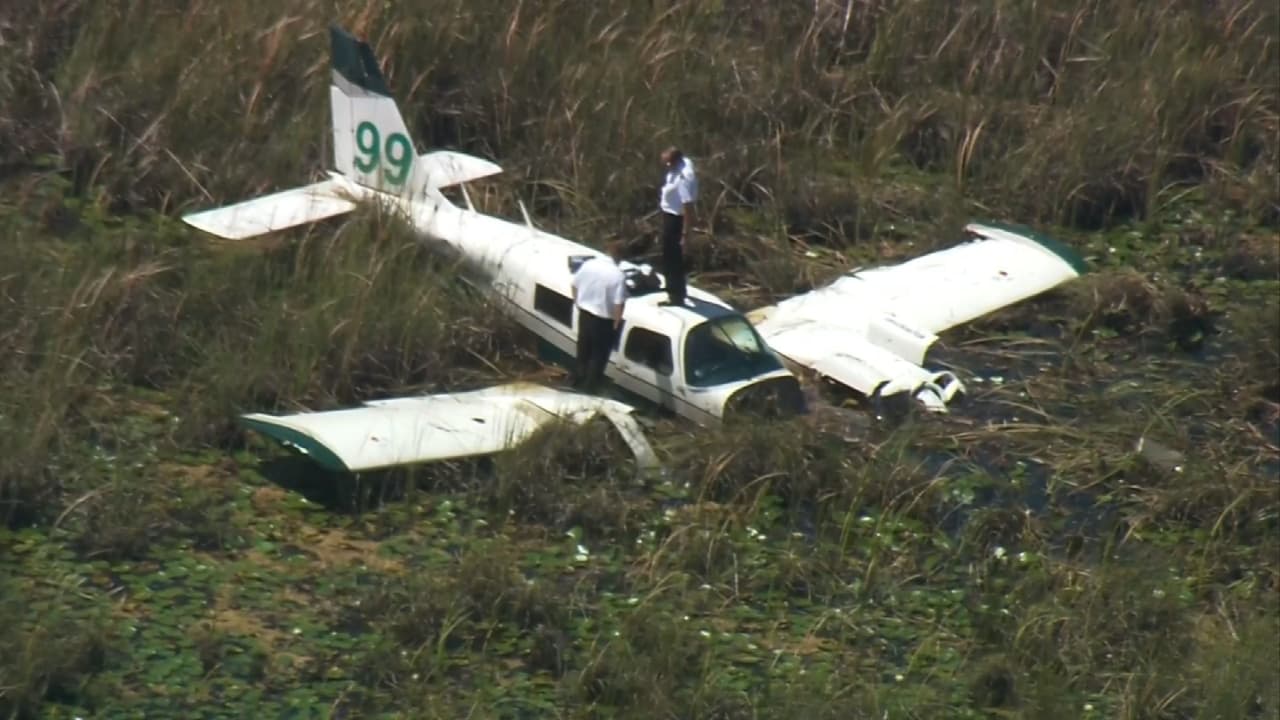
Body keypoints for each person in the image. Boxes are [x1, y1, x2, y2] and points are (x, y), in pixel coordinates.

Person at [570, 240, 627, 393]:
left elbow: (574, 285)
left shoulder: (589, 265)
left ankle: (576, 383)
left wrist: (578, 303)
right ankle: (588, 391)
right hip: (603, 322)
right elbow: (618, 304)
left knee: (582, 352)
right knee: (598, 358)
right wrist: (616, 325)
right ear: (619, 256)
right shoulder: (618, 276)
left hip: (584, 315)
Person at [657, 146, 697, 306]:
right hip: (669, 214)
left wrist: (685, 234)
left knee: (672, 258)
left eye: (667, 163)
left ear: (675, 162)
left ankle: (675, 295)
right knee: (669, 256)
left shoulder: (683, 178)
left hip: (676, 219)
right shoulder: (684, 162)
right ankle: (672, 287)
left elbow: (688, 206)